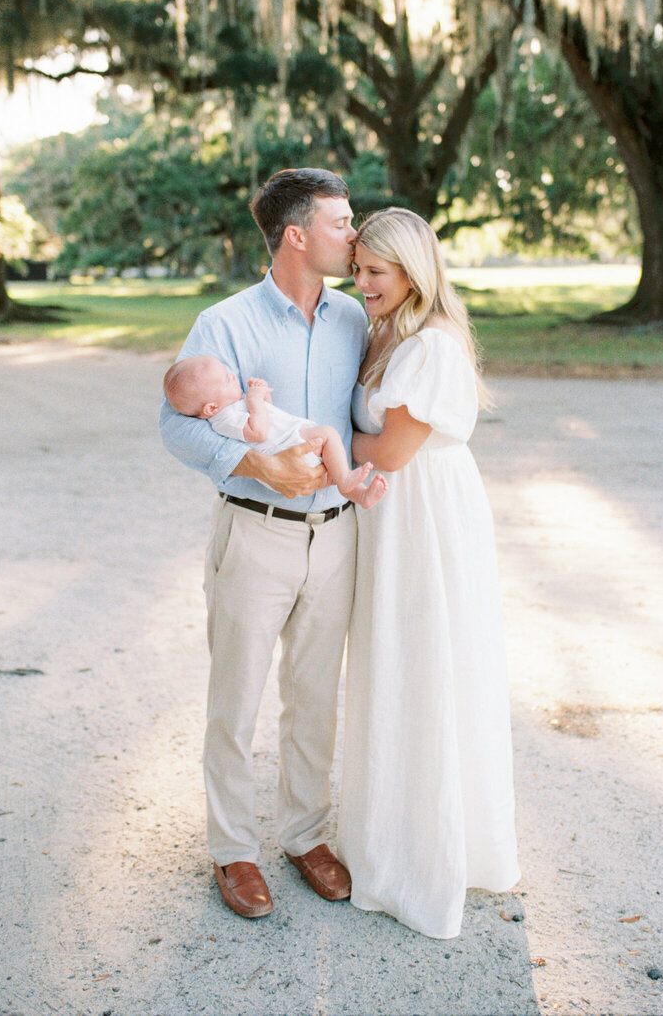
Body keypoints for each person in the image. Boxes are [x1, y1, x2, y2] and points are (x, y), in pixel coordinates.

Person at [157, 168, 367, 920]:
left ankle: (305, 836)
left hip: (336, 538)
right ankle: (234, 850)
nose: (354, 233)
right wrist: (258, 464)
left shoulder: (355, 318)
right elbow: (174, 425)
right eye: (342, 222)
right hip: (253, 533)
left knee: (314, 699)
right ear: (297, 235)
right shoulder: (225, 323)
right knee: (236, 699)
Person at [337, 206, 521, 939]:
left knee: (427, 667)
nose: (363, 283)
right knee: (393, 667)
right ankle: (389, 832)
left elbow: (390, 452)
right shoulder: (384, 329)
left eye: (376, 272)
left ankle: (427, 855)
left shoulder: (433, 344)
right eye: (357, 270)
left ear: (414, 271)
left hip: (425, 518)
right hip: (389, 517)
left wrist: (323, 441)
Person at [163, 355, 388, 510]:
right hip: (285, 452)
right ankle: (348, 481)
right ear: (211, 408)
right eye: (226, 379)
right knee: (328, 434)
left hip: (289, 447)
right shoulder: (223, 419)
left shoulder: (233, 405)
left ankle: (361, 495)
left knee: (331, 473)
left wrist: (262, 395)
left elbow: (268, 413)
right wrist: (254, 400)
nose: (233, 376)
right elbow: (259, 432)